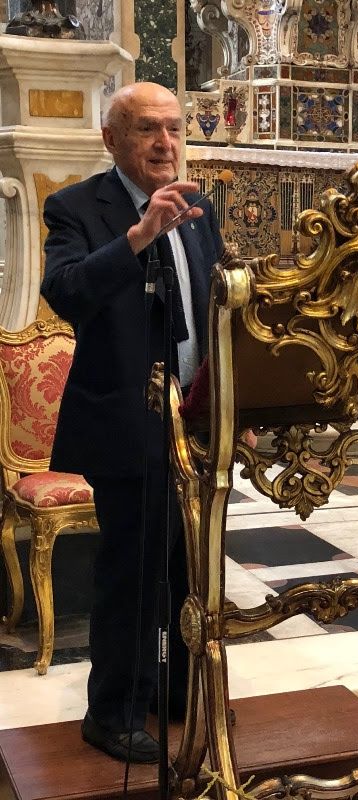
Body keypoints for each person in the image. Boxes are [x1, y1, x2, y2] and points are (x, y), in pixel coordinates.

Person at [41, 82, 223, 763]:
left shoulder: (198, 209)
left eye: (174, 128)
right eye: (148, 128)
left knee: (189, 568)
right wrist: (139, 236)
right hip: (127, 418)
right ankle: (112, 713)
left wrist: (233, 402)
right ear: (112, 138)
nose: (164, 142)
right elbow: (65, 292)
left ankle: (172, 692)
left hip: (196, 422)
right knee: (134, 572)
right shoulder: (76, 206)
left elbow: (215, 307)